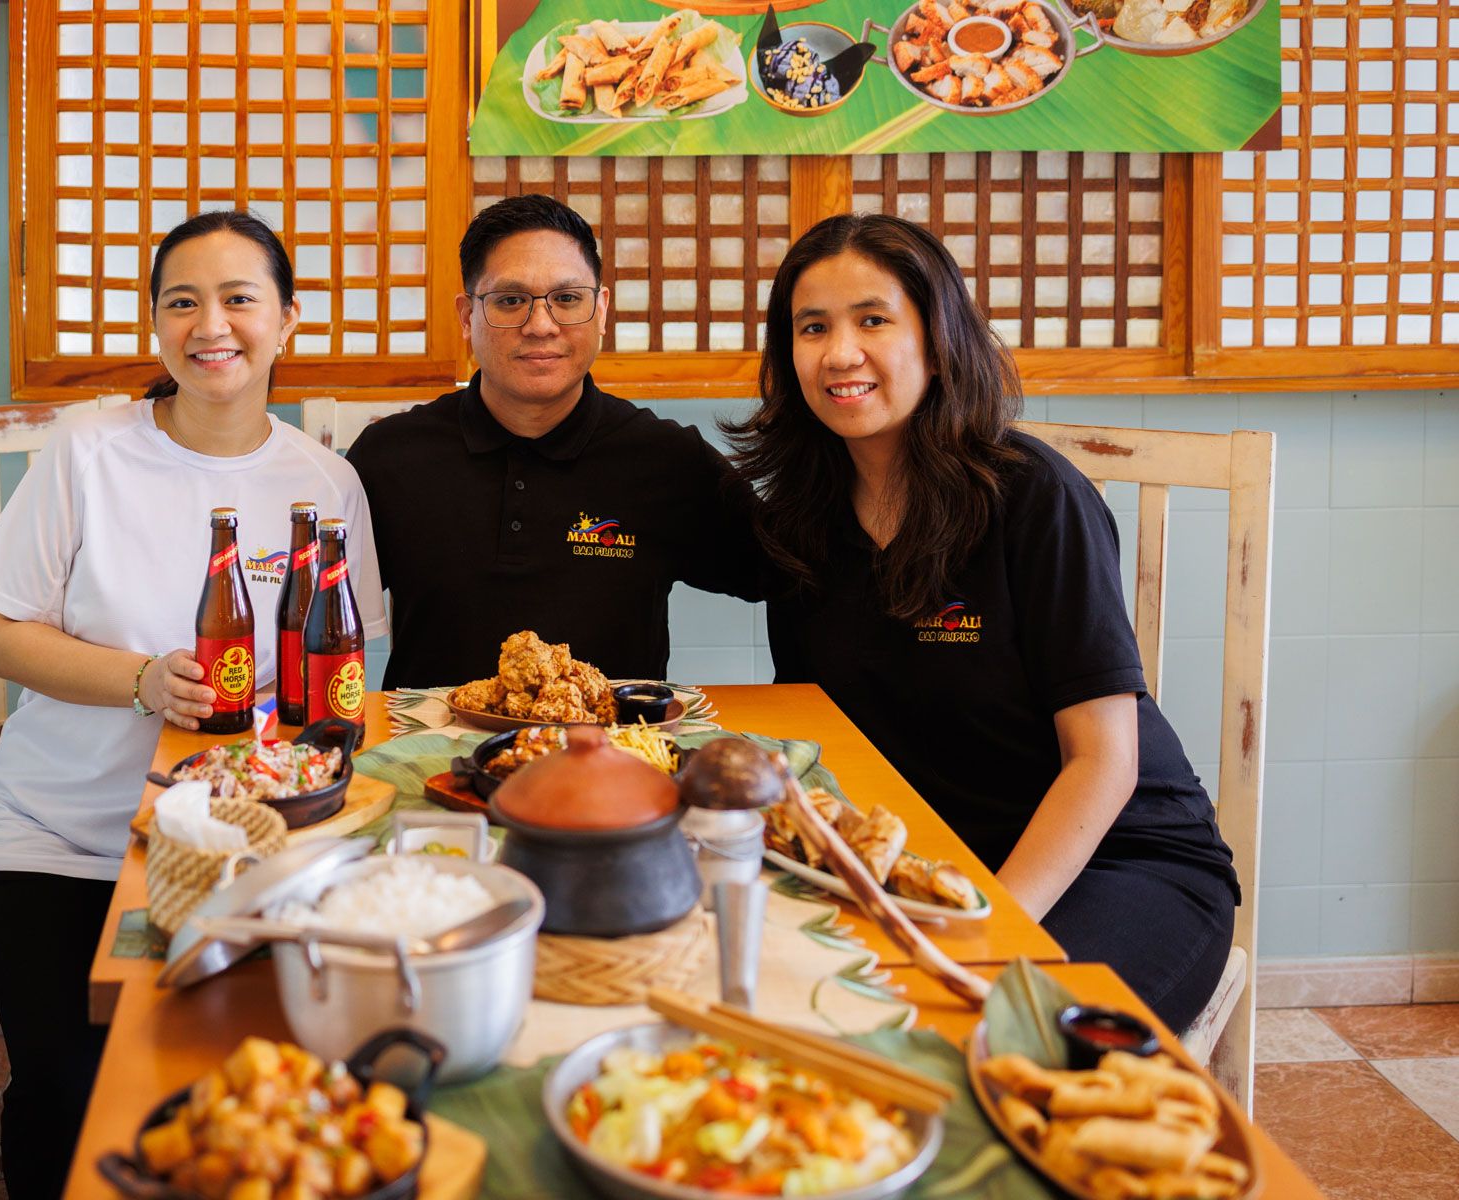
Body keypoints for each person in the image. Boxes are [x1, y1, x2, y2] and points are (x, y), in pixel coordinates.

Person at [0, 210, 385, 1195]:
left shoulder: (326, 485)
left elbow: (343, 675)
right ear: (156, 324)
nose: (211, 324)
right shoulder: (89, 455)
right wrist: (143, 679)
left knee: (234, 1084)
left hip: (246, 848)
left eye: (240, 298)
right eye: (182, 302)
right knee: (68, 1093)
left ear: (289, 319)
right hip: (62, 842)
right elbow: (2, 635)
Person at [728, 213, 1238, 1030]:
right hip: (934, 861)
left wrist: (993, 924)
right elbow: (826, 734)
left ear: (937, 336)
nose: (839, 353)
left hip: (1115, 859)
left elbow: (1104, 762)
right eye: (812, 327)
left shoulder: (1034, 496)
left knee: (1011, 1042)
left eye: (873, 320)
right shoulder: (804, 519)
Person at [344, 194, 762, 688]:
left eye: (567, 299)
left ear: (601, 310)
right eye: (510, 301)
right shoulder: (389, 458)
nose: (540, 326)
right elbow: (309, 616)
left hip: (610, 755)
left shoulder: (667, 460)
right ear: (466, 317)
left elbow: (794, 577)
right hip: (428, 761)